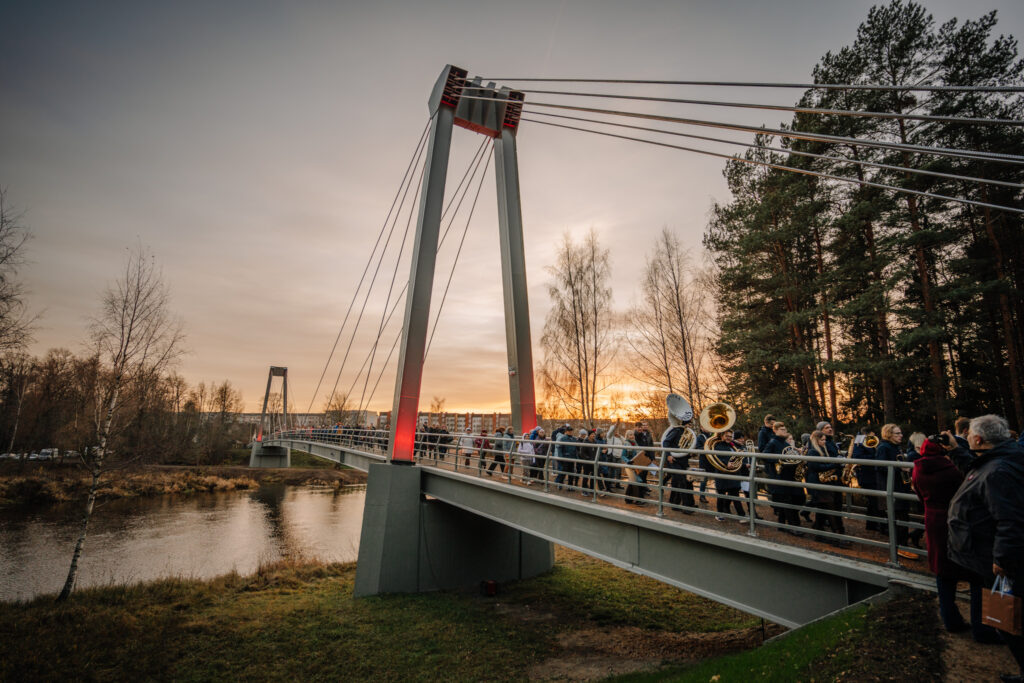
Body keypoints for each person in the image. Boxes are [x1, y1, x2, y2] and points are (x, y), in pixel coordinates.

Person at [948, 414, 1024, 681]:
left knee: (1009, 621)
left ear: (978, 439)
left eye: (968, 435)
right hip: (991, 553)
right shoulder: (1001, 460)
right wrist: (957, 452)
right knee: (1008, 619)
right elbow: (977, 471)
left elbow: (1010, 518)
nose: (967, 437)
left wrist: (1002, 559)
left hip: (1000, 560)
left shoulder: (998, 471)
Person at [911, 437, 976, 635]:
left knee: (943, 570)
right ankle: (982, 626)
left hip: (933, 518)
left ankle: (950, 619)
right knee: (974, 572)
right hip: (958, 520)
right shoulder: (953, 470)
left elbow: (920, 496)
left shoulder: (918, 468)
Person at [877, 423, 915, 559]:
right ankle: (900, 546)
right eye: (897, 433)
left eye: (900, 433)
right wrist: (900, 468)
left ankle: (902, 544)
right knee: (899, 516)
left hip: (899, 486)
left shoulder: (895, 447)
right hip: (892, 487)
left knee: (903, 515)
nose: (901, 435)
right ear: (889, 434)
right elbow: (880, 467)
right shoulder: (883, 447)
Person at [806, 429, 849, 546]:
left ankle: (819, 534)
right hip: (818, 484)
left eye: (825, 439)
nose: (825, 442)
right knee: (830, 508)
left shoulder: (823, 451)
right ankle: (837, 536)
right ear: (816, 440)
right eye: (822, 440)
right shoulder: (812, 452)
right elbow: (816, 466)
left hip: (825, 483)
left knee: (822, 511)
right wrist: (835, 464)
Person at [763, 422, 802, 534]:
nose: (784, 431)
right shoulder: (773, 442)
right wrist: (778, 460)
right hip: (779, 476)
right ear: (775, 430)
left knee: (788, 500)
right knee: (787, 501)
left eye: (785, 429)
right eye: (782, 429)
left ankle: (781, 524)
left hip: (788, 475)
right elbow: (765, 456)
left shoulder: (784, 443)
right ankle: (793, 526)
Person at [662, 421, 696, 512]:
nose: (689, 427)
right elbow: (665, 443)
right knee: (681, 482)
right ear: (684, 424)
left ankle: (681, 503)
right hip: (674, 461)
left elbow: (684, 449)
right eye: (688, 424)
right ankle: (685, 506)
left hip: (683, 461)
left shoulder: (688, 434)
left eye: (690, 425)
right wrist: (668, 455)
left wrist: (691, 454)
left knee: (687, 481)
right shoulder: (676, 431)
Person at [713, 429, 744, 521]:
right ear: (722, 436)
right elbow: (718, 456)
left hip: (733, 473)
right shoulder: (717, 445)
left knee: (735, 494)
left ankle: (741, 515)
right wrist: (726, 463)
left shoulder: (732, 445)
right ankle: (719, 514)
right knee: (721, 495)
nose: (729, 438)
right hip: (722, 473)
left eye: (730, 436)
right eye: (727, 436)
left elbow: (736, 457)